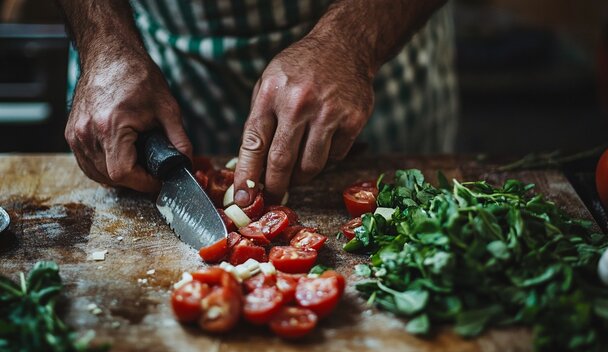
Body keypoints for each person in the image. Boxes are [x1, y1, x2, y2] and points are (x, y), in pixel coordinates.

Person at [56, 0, 458, 207]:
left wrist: (352, 41)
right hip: (155, 59)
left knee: (405, 199)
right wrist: (104, 43)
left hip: (374, 51)